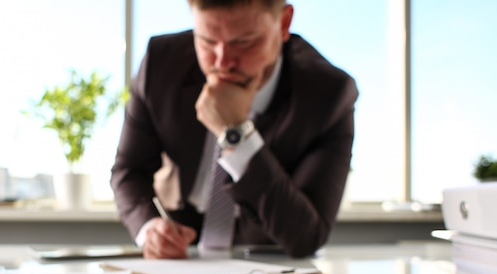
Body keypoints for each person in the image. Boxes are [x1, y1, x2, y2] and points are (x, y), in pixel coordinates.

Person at [110, 0, 358, 259]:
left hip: (266, 256)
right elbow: (129, 170)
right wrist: (149, 227)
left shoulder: (328, 95)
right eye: (207, 41)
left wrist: (236, 135)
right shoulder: (161, 64)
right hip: (178, 251)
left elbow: (307, 236)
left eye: (244, 42)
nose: (223, 61)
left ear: (284, 23)